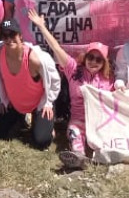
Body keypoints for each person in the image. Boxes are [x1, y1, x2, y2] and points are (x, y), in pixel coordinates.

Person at [26, 10, 114, 169]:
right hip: (78, 121)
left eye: (99, 59)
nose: (93, 62)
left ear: (104, 63)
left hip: (100, 122)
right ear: (85, 57)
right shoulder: (73, 70)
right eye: (90, 57)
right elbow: (56, 48)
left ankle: (101, 155)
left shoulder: (109, 79)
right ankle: (79, 158)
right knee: (73, 133)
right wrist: (41, 26)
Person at [0, 19, 61, 149]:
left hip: (39, 103)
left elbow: (55, 80)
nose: (9, 39)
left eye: (12, 35)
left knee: (41, 141)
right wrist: (3, 99)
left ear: (20, 36)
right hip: (17, 102)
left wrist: (48, 102)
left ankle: (45, 125)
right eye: (5, 36)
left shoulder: (35, 59)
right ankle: (23, 118)